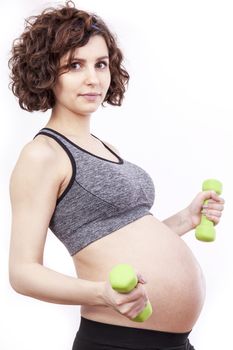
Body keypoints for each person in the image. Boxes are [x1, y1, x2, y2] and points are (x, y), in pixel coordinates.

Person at [8, 1, 225, 349]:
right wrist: (101, 294)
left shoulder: (103, 146)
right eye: (75, 65)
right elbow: (22, 273)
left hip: (171, 341)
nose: (93, 78)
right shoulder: (43, 155)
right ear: (48, 73)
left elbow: (118, 239)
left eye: (101, 64)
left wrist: (186, 219)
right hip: (118, 341)